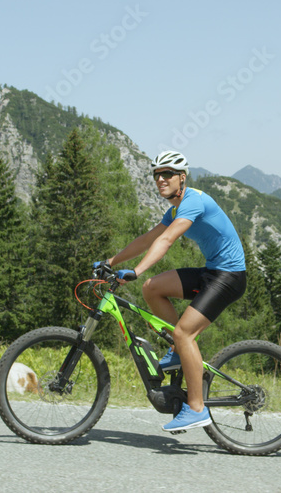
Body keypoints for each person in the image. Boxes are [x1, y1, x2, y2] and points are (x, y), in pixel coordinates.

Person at [98, 150, 247, 432]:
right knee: (152, 289)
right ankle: (177, 350)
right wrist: (111, 262)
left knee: (184, 332)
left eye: (167, 174)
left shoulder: (193, 201)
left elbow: (167, 240)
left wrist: (136, 270)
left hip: (230, 277)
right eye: (157, 175)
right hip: (212, 271)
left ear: (182, 178)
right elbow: (147, 239)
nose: (161, 179)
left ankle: (196, 408)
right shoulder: (175, 209)